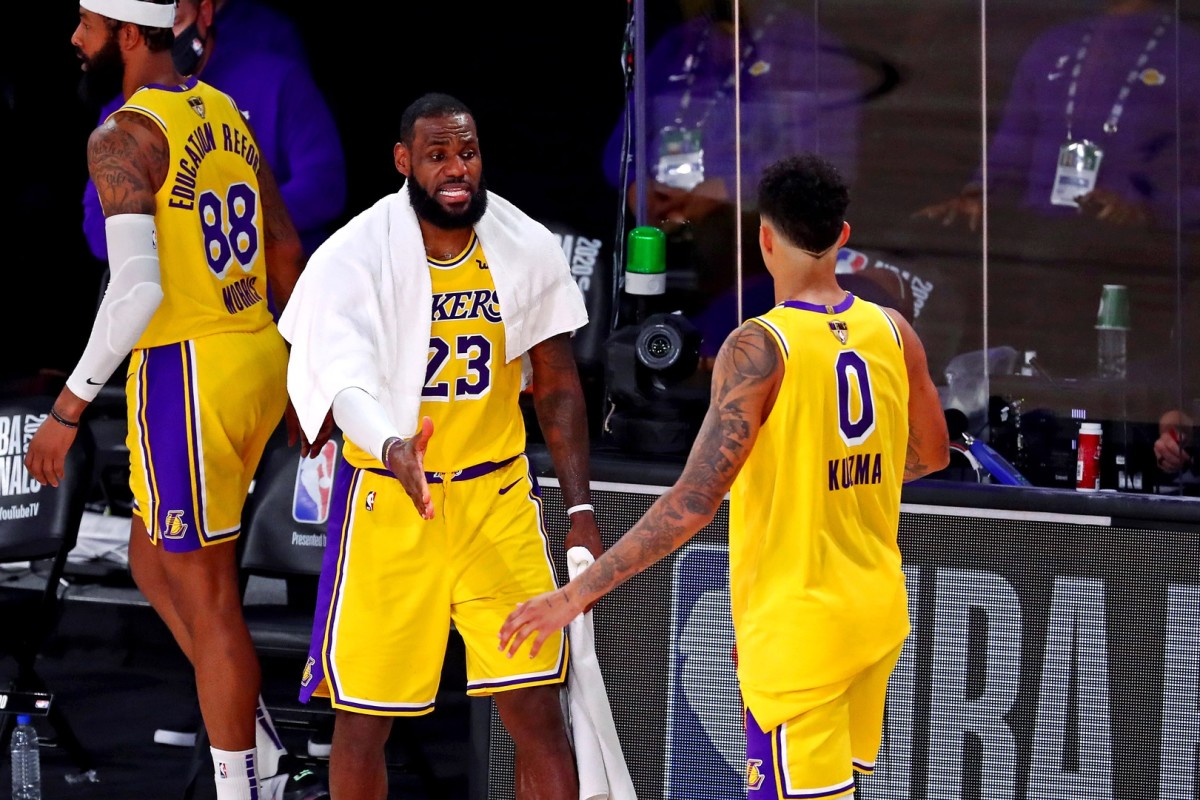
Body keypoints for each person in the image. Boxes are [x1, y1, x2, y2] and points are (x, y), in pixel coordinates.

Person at [501, 153, 950, 798]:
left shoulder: (757, 346)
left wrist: (573, 596)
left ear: (764, 239)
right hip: (875, 616)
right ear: (842, 237)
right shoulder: (894, 331)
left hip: (801, 627)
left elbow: (692, 501)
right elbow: (929, 456)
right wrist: (838, 473)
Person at [24, 2, 320, 798]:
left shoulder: (121, 136)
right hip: (256, 351)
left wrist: (68, 410)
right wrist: (300, 366)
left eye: (85, 24)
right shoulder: (222, 107)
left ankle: (246, 786)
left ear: (125, 34)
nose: (74, 39)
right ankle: (254, 739)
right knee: (152, 556)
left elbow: (134, 294)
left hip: (187, 374)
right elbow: (287, 245)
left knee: (213, 599)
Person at [278, 92, 603, 799]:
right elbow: (343, 385)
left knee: (537, 712)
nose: (458, 169)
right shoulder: (354, 256)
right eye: (437, 156)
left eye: (468, 152)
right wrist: (393, 446)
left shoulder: (524, 244)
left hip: (496, 501)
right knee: (362, 724)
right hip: (391, 508)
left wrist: (579, 508)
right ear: (403, 161)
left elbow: (555, 383)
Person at [911, 0, 1200, 378]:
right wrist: (977, 193)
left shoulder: (1185, 53)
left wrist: (1148, 210)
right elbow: (1014, 136)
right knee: (927, 240)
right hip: (1038, 239)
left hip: (1138, 250)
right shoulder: (1056, 43)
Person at [603, 0, 863, 319]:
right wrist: (637, 188)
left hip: (744, 235)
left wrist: (718, 192)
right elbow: (623, 141)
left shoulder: (807, 52)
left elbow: (822, 167)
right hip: (659, 224)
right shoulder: (680, 42)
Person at [80, 0, 346, 271]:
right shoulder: (125, 104)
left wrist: (221, 224)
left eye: (172, 23)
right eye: (152, 28)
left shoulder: (276, 78)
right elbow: (99, 233)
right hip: (180, 301)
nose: (163, 39)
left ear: (205, 13)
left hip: (275, 296)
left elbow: (326, 188)